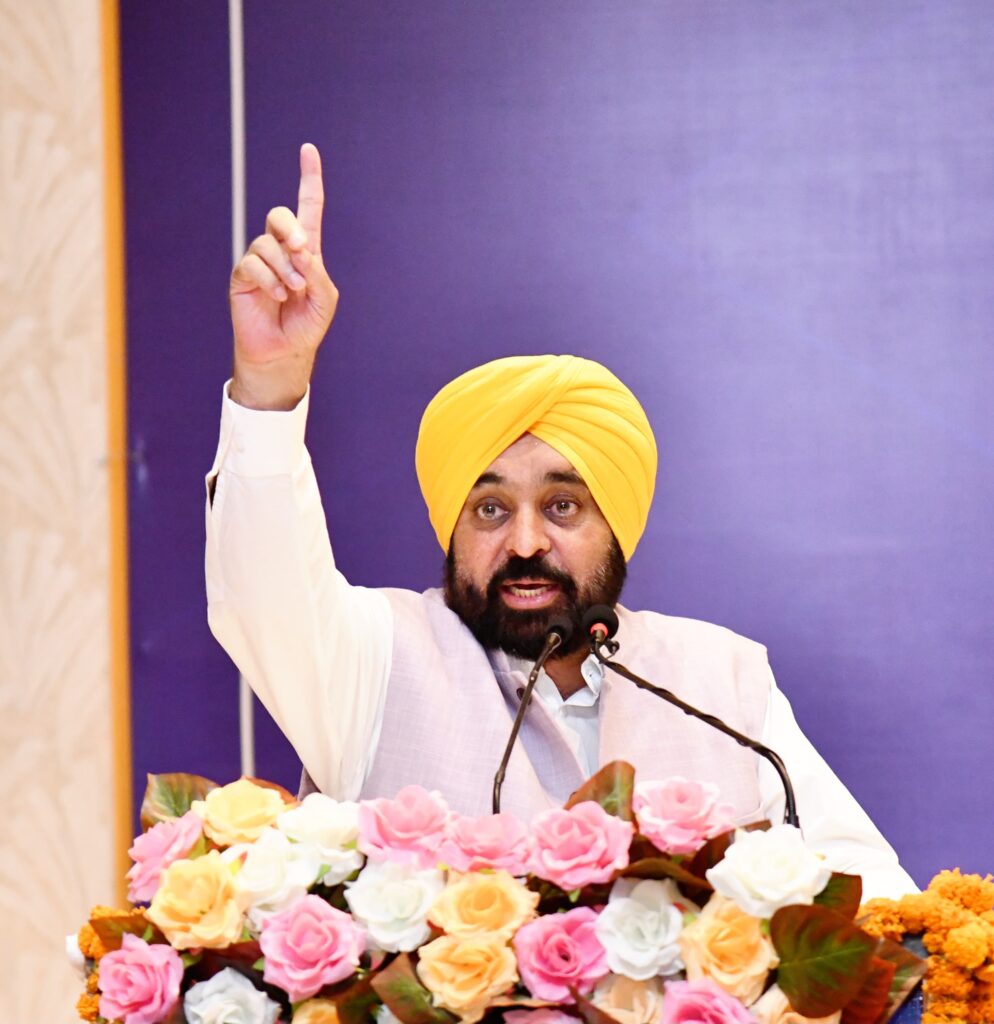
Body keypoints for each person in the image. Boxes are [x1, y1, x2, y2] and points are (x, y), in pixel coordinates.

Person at [206, 143, 916, 898]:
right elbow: (265, 592)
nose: (525, 543)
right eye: (489, 509)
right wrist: (270, 383)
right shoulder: (376, 662)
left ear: (618, 524)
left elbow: (875, 899)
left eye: (563, 506)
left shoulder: (724, 682)